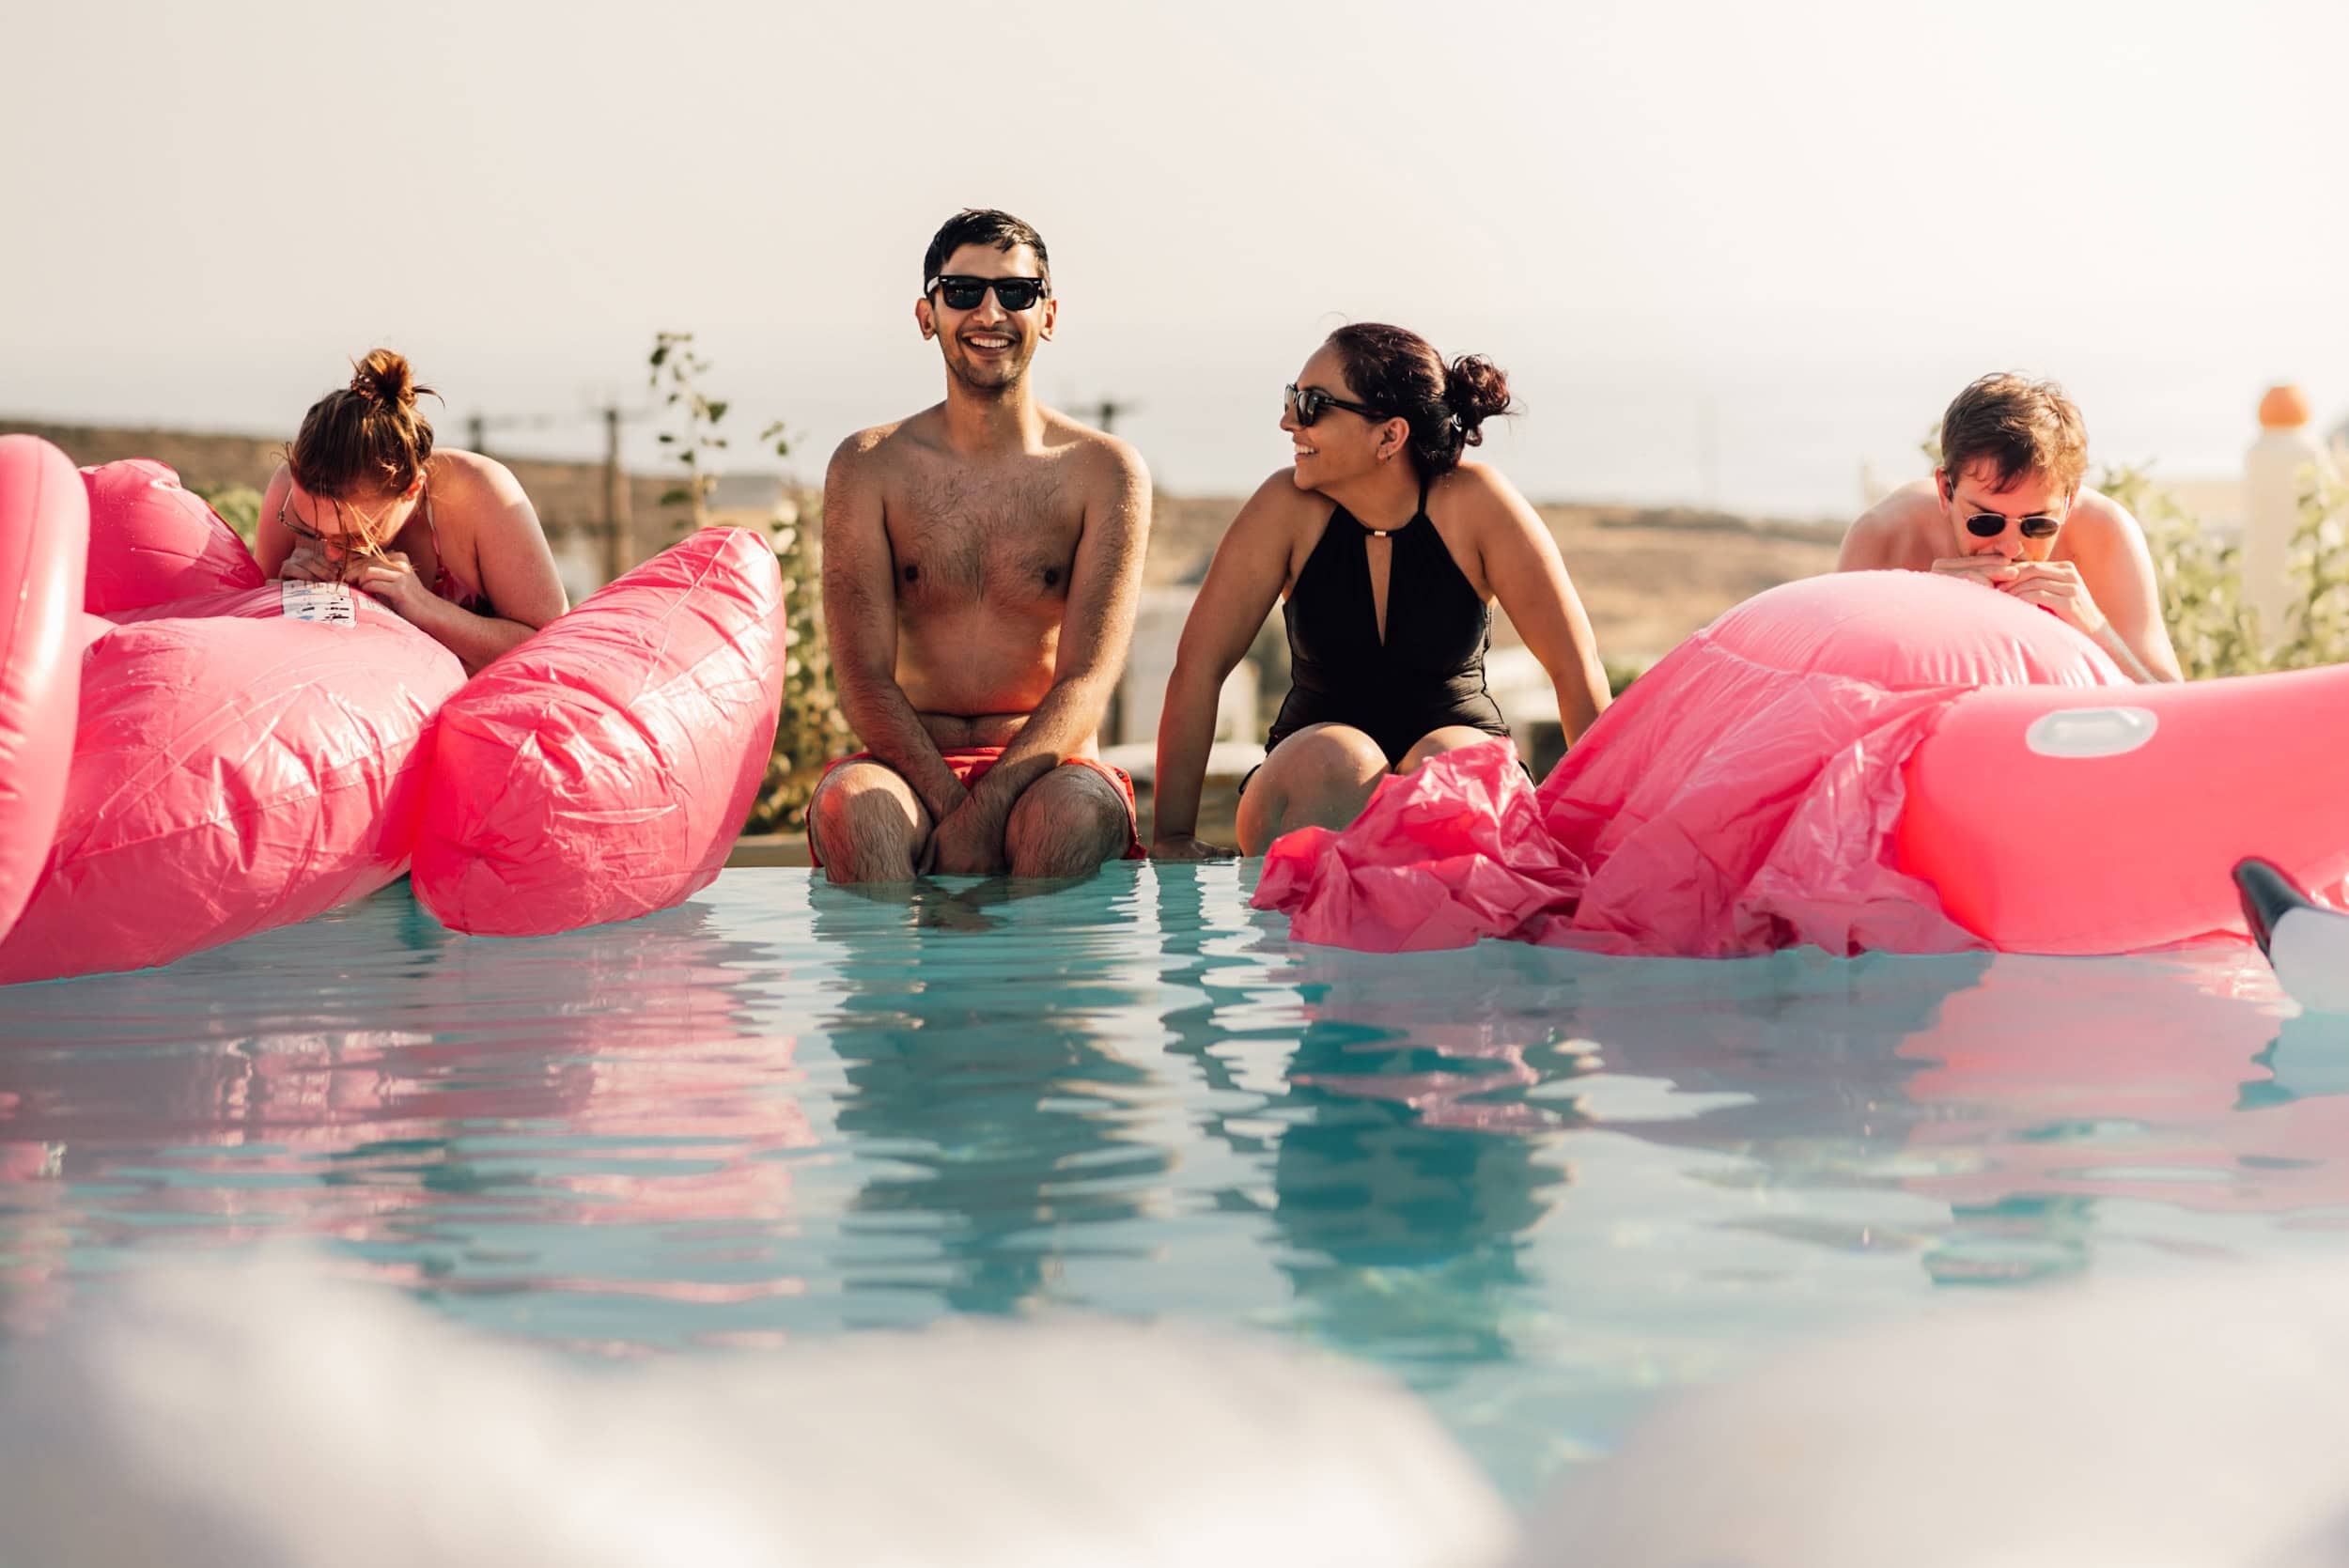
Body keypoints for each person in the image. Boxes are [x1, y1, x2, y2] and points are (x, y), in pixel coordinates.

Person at [1150, 324, 1611, 860]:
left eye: (1313, 404)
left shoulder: (1478, 503)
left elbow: (1575, 670)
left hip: (1459, 745)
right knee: (1332, 762)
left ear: (1389, 437)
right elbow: (1199, 668)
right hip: (1311, 770)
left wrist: (1607, 835)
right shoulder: (1282, 508)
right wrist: (1172, 837)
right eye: (1291, 398)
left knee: (1450, 772)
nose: (1288, 421)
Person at [810, 209, 1151, 884]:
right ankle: (897, 990)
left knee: (1064, 824)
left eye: (1016, 293)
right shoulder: (869, 465)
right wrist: (951, 806)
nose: (989, 312)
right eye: (963, 291)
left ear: (1047, 315)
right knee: (859, 813)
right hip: (910, 764)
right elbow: (861, 677)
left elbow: (1087, 679)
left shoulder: (1105, 471)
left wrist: (990, 810)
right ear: (926, 314)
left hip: (1053, 771)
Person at [1836, 373, 2183, 683]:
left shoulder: (2105, 535)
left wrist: (2094, 627)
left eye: (2037, 525)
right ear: (1946, 491)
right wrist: (1923, 610)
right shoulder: (1886, 538)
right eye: (1985, 521)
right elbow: (1836, 696)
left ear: (2068, 501)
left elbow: (2171, 705)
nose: (2010, 548)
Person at [255, 350, 569, 674]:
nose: (333, 552)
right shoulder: (287, 492)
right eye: (312, 531)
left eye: (356, 535)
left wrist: (423, 606)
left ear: (412, 489)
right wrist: (275, 598)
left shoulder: (478, 492)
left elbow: (551, 650)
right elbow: (245, 634)